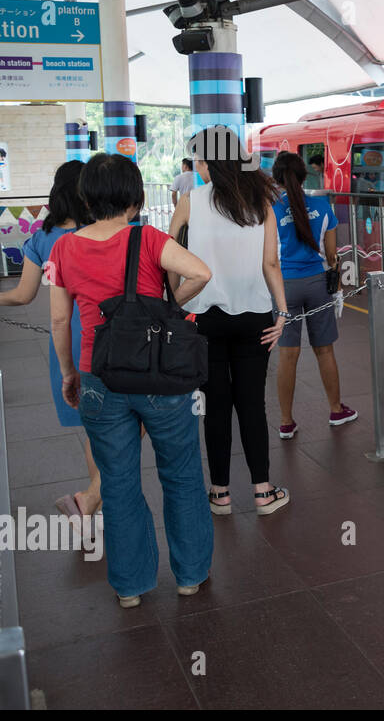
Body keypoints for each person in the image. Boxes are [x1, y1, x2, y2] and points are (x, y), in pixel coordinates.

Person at [47, 153, 214, 608]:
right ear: (136, 198)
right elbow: (201, 272)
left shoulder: (63, 248)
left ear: (86, 198)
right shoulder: (148, 239)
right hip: (160, 374)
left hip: (98, 377)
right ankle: (190, 576)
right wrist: (169, 303)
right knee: (180, 474)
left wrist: (68, 373)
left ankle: (131, 586)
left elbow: (60, 321)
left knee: (118, 482)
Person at [169, 127, 291, 517]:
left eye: (199, 160)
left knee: (215, 406)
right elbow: (270, 263)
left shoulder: (191, 200)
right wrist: (282, 312)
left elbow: (168, 252)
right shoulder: (261, 201)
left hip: (205, 318)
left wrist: (171, 303)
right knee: (253, 405)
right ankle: (262, 492)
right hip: (255, 317)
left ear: (208, 162)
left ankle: (219, 494)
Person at [0, 160, 102, 525]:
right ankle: (95, 498)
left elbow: (22, 295)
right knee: (123, 422)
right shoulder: (103, 232)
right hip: (107, 333)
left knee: (93, 426)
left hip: (67, 340)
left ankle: (93, 501)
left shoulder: (41, 238)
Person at [270, 151, 356, 437]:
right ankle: (335, 410)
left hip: (285, 286)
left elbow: (269, 256)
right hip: (318, 284)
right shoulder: (322, 205)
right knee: (324, 349)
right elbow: (332, 255)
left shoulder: (271, 209)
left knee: (288, 354)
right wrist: (338, 287)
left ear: (276, 178)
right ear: (305, 175)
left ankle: (286, 421)